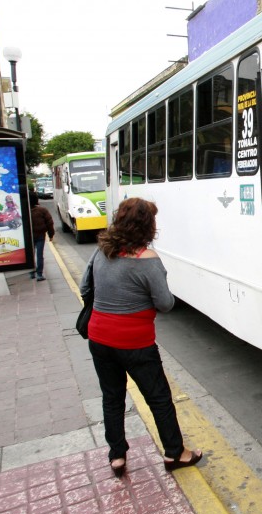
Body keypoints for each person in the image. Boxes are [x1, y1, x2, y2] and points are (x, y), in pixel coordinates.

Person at [80, 197, 202, 477]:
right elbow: (165, 303)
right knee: (158, 398)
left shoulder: (101, 250)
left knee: (112, 397)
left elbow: (86, 286)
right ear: (148, 225)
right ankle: (176, 453)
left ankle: (117, 456)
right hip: (135, 342)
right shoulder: (146, 259)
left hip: (99, 336)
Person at [29, 190, 55, 281]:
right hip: (40, 235)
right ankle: (39, 274)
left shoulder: (24, 211)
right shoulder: (42, 210)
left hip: (29, 237)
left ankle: (32, 273)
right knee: (40, 255)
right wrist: (51, 234)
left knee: (30, 255)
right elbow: (49, 223)